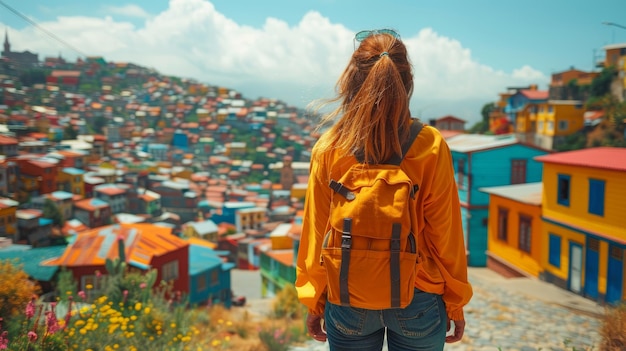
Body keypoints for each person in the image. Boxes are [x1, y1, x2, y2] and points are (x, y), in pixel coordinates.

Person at [295, 28, 473, 351]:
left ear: (352, 82)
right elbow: (445, 236)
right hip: (418, 298)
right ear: (407, 83)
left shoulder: (329, 148)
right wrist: (456, 301)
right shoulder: (429, 146)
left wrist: (314, 300)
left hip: (348, 295)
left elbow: (317, 234)